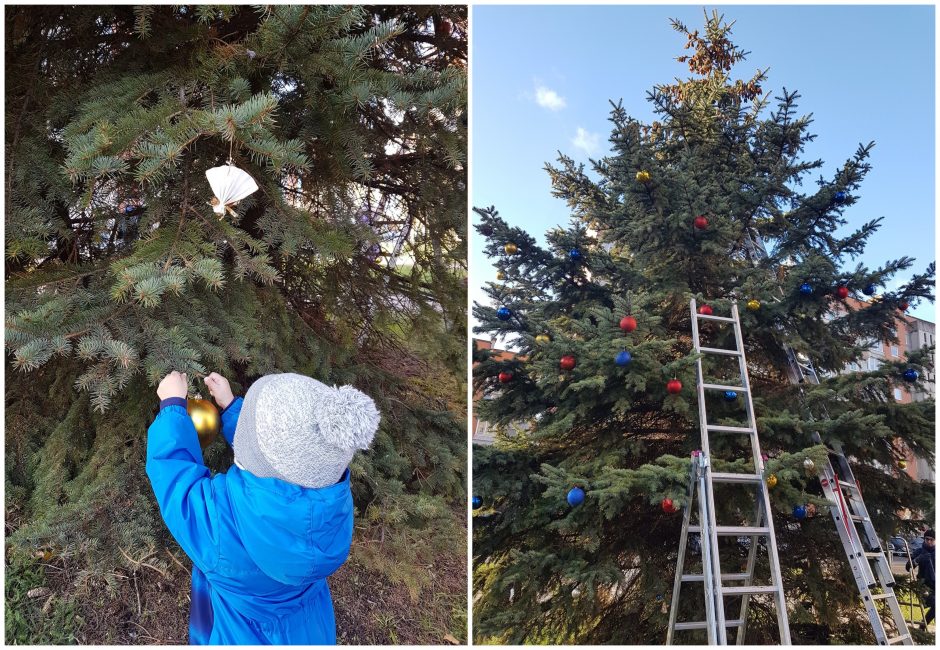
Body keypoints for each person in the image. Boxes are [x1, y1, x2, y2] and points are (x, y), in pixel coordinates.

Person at [146, 370, 380, 644]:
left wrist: (172, 406)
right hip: (310, 631)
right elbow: (280, 466)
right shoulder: (331, 506)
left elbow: (177, 483)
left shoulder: (222, 525)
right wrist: (232, 406)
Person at [907, 528, 935, 629]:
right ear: (924, 539)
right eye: (927, 539)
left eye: (932, 539)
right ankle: (922, 627)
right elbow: (908, 567)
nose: (929, 541)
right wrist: (918, 559)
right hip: (924, 586)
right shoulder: (919, 551)